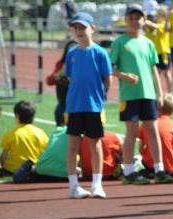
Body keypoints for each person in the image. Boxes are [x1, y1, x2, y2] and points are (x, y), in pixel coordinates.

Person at [111, 4, 173, 185]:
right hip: (129, 95)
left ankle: (159, 169)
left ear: (144, 20)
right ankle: (129, 171)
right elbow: (111, 68)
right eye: (130, 18)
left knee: (152, 131)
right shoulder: (119, 42)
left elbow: (154, 69)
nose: (134, 21)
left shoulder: (148, 43)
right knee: (131, 132)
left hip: (148, 94)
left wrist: (160, 93)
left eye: (138, 17)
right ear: (126, 20)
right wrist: (125, 76)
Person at [64, 12, 112, 199]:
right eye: (76, 28)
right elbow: (69, 76)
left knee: (95, 143)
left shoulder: (100, 53)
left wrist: (101, 98)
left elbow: (107, 79)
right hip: (74, 105)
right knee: (73, 144)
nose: (79, 31)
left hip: (94, 106)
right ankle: (73, 186)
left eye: (83, 27)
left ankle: (96, 184)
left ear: (92, 28)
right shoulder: (71, 54)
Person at [139, 94, 173, 178]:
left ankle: (150, 171)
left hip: (150, 162)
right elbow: (172, 146)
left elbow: (141, 149)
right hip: (169, 165)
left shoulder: (145, 124)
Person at [0, 101, 48, 177]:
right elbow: (45, 154)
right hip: (32, 171)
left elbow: (3, 158)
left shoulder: (11, 134)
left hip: (11, 171)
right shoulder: (41, 133)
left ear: (17, 116)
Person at [46, 40, 78, 127]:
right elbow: (49, 81)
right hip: (63, 106)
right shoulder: (61, 64)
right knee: (61, 133)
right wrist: (58, 74)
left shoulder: (83, 64)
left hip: (78, 107)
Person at [144, 5, 173, 94]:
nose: (158, 16)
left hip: (164, 52)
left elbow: (155, 25)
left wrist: (145, 21)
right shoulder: (154, 27)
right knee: (157, 73)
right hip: (155, 53)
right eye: (158, 14)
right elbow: (148, 28)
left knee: (167, 73)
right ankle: (156, 92)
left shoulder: (162, 24)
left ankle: (171, 93)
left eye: (160, 14)